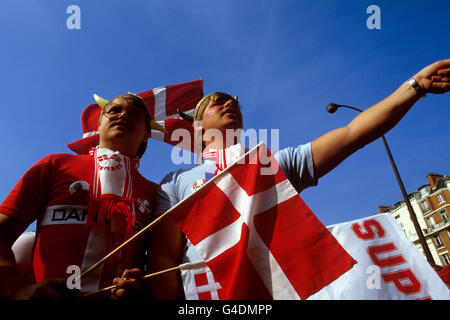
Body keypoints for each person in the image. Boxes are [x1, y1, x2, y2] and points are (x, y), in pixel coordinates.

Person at [146, 59, 450, 299]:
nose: (231, 104)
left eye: (235, 101)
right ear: (198, 127)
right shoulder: (174, 182)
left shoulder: (271, 165)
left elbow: (352, 134)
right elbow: (162, 260)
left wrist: (415, 86)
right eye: (219, 102)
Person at [0, 92, 166, 299]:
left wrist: (139, 287)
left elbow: (160, 263)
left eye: (134, 114)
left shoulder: (158, 193)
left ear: (147, 133)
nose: (123, 115)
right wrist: (13, 291)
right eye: (114, 110)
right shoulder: (55, 165)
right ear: (99, 124)